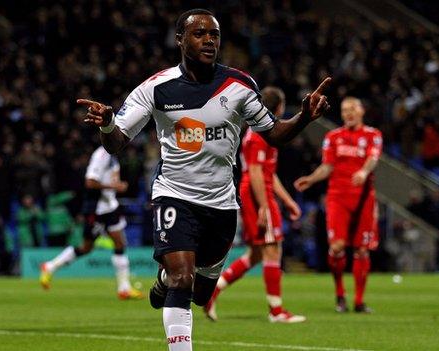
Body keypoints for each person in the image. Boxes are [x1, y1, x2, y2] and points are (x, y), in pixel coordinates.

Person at [77, 8, 331, 350]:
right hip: (174, 195)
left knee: (199, 291)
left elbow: (274, 135)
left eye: (214, 34)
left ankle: (165, 277)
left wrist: (304, 117)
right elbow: (117, 142)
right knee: (184, 279)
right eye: (199, 34)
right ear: (180, 40)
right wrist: (108, 123)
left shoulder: (239, 86)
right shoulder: (156, 88)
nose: (209, 40)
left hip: (222, 203)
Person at [203, 87, 305, 323]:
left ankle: (212, 291)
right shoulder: (260, 134)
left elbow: (268, 173)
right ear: (278, 107)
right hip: (257, 192)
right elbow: (257, 173)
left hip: (257, 190)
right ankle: (276, 311)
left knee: (257, 254)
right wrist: (264, 207)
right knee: (272, 249)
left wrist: (288, 201)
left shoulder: (261, 132)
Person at [294, 97, 382, 313]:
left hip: (363, 199)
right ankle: (340, 295)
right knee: (337, 247)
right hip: (337, 198)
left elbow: (373, 158)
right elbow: (327, 167)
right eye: (344, 110)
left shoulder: (373, 135)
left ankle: (359, 301)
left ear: (362, 111)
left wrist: (363, 171)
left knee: (362, 250)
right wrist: (312, 178)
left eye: (352, 108)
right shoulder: (333, 137)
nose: (348, 113)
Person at [39, 146, 143, 300]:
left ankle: (124, 289)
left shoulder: (113, 156)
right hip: (97, 210)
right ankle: (49, 266)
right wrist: (113, 186)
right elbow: (90, 182)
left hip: (110, 207)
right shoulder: (101, 155)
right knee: (86, 247)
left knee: (119, 243)